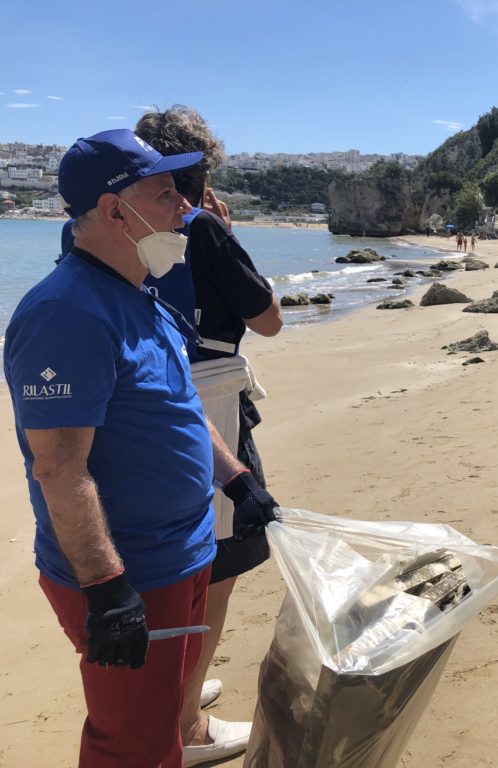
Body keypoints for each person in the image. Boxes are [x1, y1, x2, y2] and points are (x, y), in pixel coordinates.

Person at [4, 128, 280, 768]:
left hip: (185, 552)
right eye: (163, 193)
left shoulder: (141, 296)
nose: (184, 207)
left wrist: (237, 480)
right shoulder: (65, 314)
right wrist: (106, 588)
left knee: (162, 716)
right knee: (130, 744)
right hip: (133, 572)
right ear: (113, 211)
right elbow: (59, 467)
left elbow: (180, 408)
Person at [134, 105, 283, 767]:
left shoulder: (123, 223)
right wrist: (226, 237)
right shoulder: (202, 227)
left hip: (145, 397)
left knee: (170, 564)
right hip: (211, 405)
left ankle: (178, 694)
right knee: (213, 570)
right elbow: (268, 319)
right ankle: (187, 724)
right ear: (203, 169)